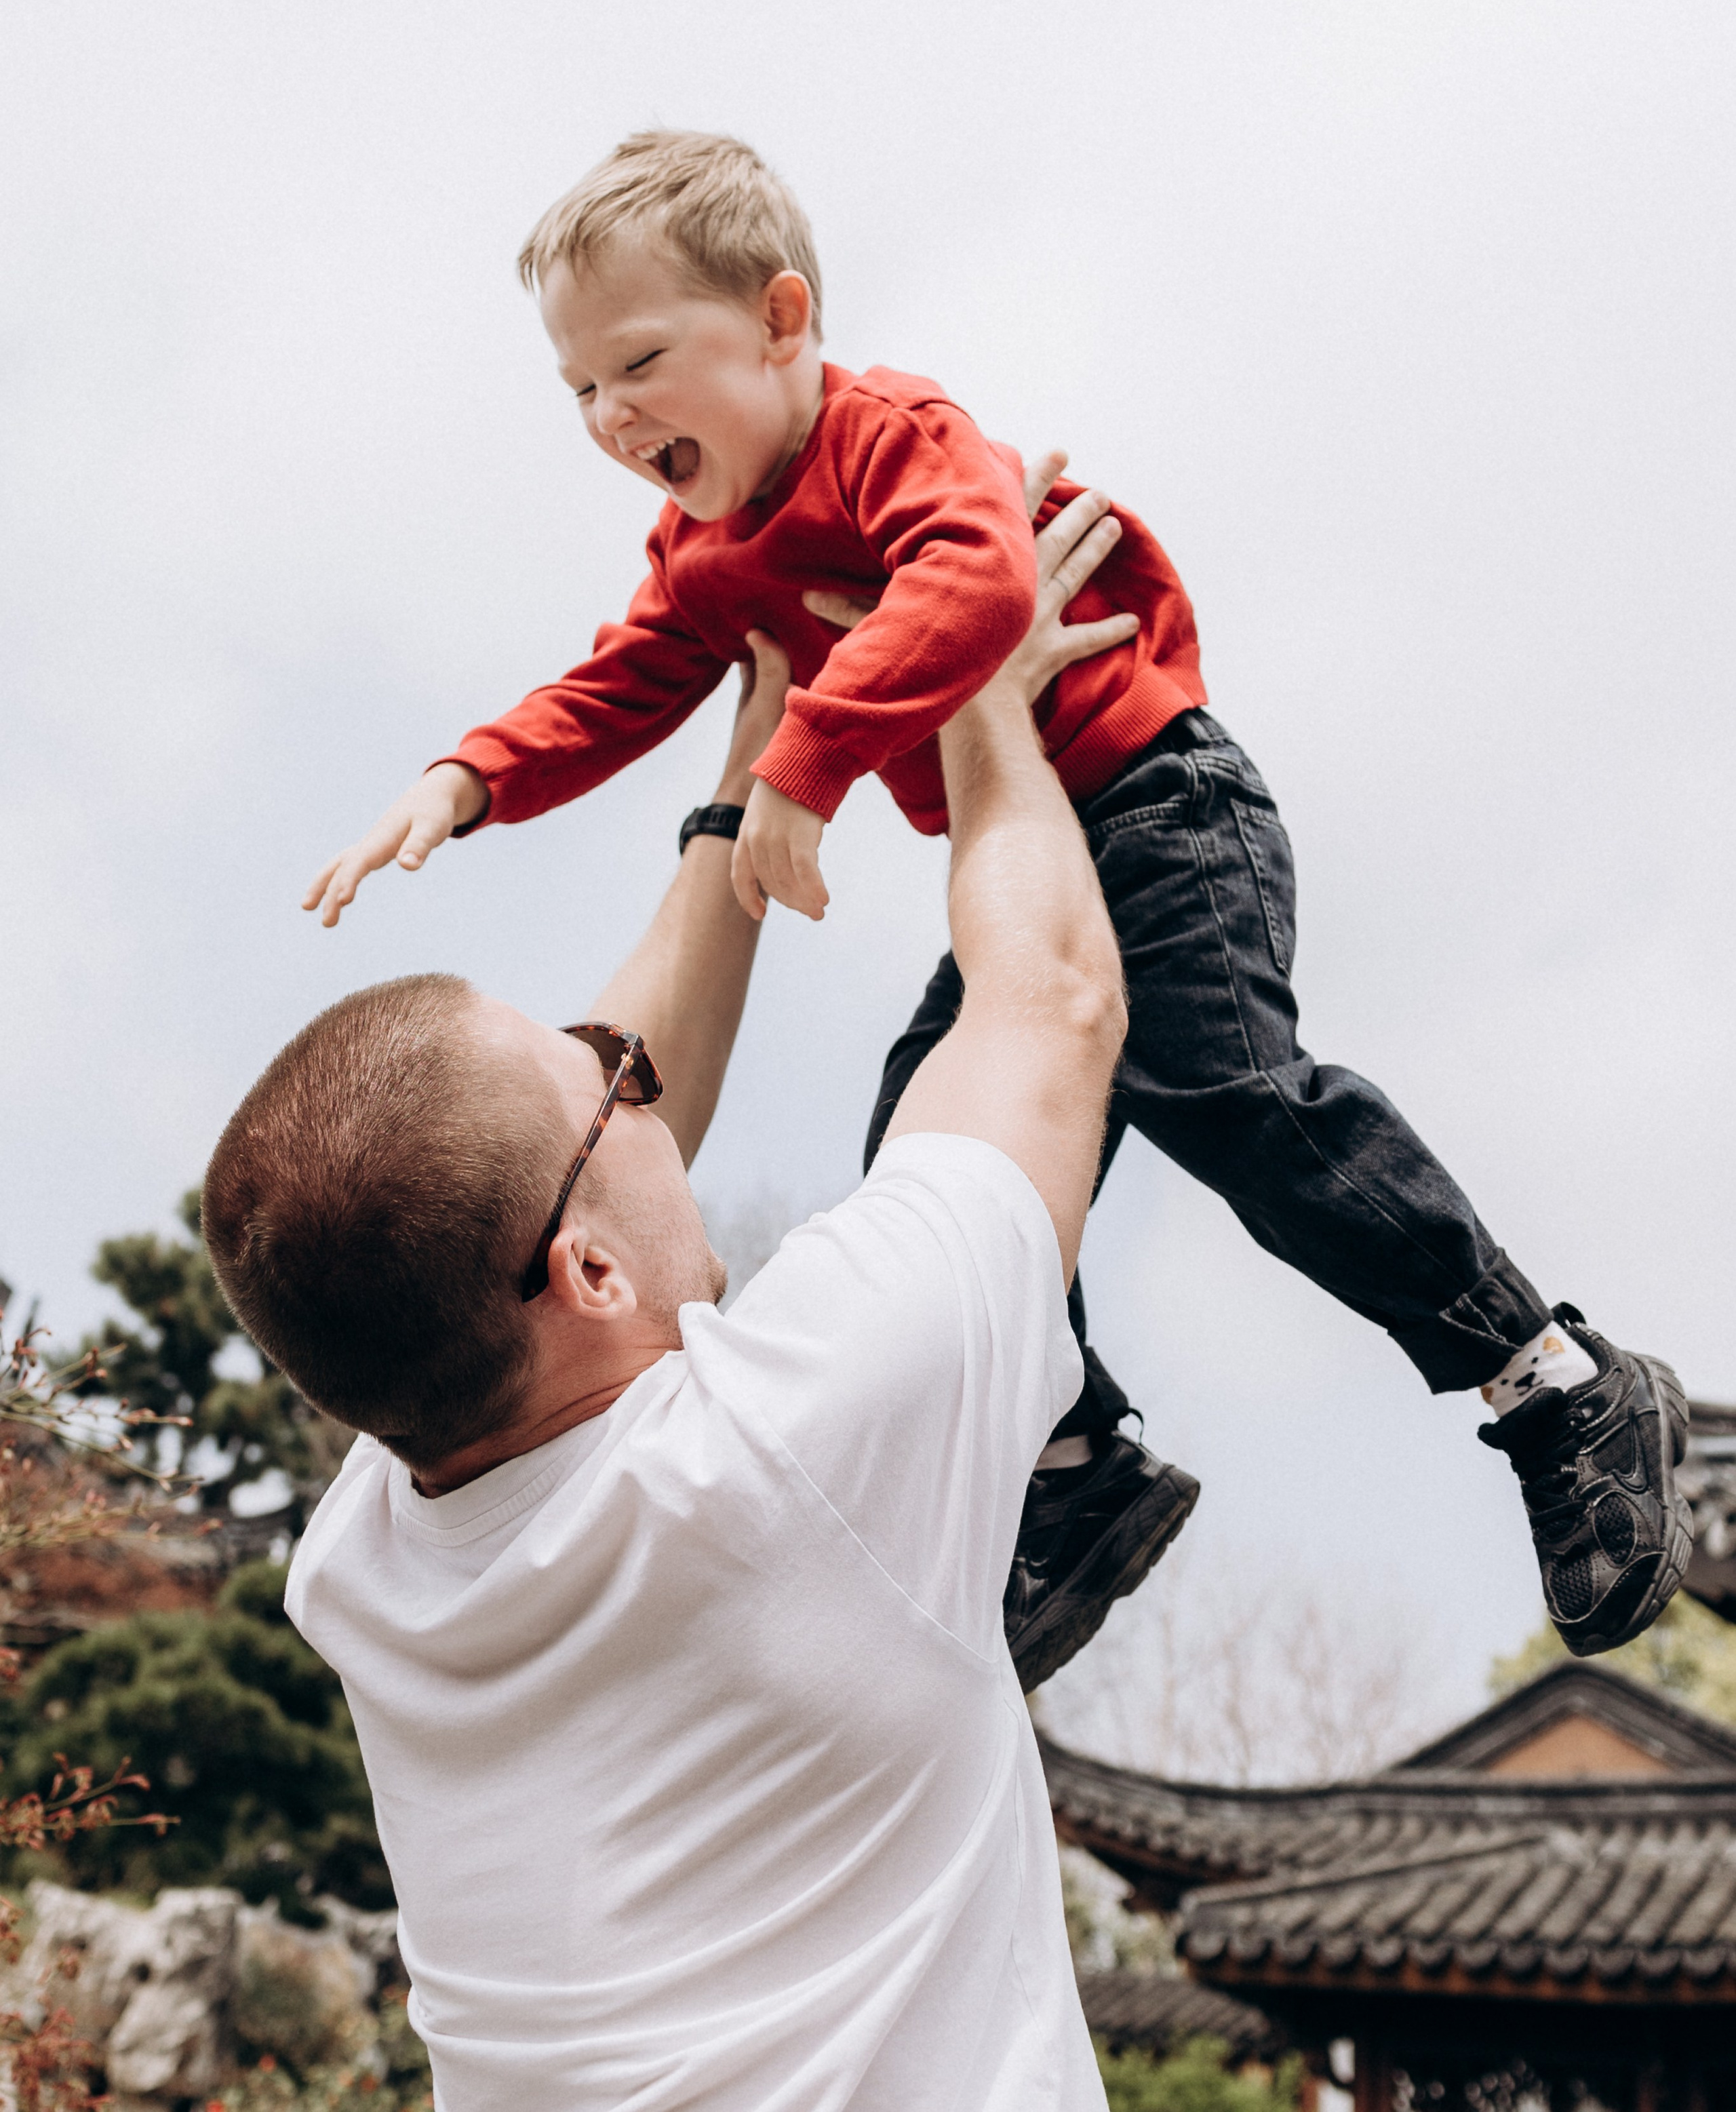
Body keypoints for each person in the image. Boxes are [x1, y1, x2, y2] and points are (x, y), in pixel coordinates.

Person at [301, 129, 1689, 1679]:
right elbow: (621, 681)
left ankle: (1552, 1380)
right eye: (577, 390)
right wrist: (467, 776)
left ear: (779, 320)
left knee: (1220, 1087)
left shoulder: (893, 435)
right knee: (930, 1147)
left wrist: (805, 763)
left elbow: (977, 590)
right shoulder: (702, 554)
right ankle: (1076, 1462)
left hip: (1156, 800)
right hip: (1021, 853)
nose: (611, 416)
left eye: (638, 362)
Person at [207, 496, 1135, 2110]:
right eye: (607, 1088)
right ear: (586, 1273)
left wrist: (752, 756)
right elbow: (1049, 1005)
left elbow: (519, 1177)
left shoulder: (372, 1555)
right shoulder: (798, 1437)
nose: (631, 1077)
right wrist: (975, 679)